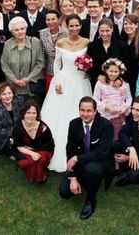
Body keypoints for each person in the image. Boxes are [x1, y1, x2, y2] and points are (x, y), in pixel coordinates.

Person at [42, 14, 93, 172]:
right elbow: (56, 64)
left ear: (80, 26)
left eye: (77, 25)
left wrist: (87, 71)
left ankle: (82, 151)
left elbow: (91, 61)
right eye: (71, 26)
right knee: (60, 115)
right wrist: (57, 81)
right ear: (67, 27)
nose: (74, 28)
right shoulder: (61, 42)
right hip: (63, 81)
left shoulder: (87, 42)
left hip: (80, 82)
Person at [58, 97, 113, 220]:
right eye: (82, 110)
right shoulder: (74, 124)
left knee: (92, 170)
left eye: (89, 111)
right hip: (80, 163)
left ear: (95, 111)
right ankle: (83, 180)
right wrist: (73, 177)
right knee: (64, 193)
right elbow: (70, 149)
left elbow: (101, 153)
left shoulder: (106, 125)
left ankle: (90, 199)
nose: (85, 114)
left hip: (98, 162)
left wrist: (77, 158)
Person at [1, 16, 45, 101]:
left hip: (32, 89)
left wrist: (29, 78)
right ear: (12, 32)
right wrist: (14, 80)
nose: (20, 32)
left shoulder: (35, 42)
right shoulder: (7, 44)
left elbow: (40, 63)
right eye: (16, 30)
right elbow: (4, 64)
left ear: (26, 29)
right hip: (13, 89)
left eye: (22, 29)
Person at [14, 99, 55, 183]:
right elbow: (19, 146)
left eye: (34, 113)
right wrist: (31, 153)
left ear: (37, 114)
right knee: (25, 162)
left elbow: (48, 146)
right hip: (25, 150)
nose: (31, 116)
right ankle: (36, 174)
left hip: (44, 149)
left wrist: (34, 151)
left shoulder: (43, 128)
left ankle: (40, 177)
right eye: (28, 113)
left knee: (38, 159)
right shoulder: (17, 126)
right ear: (23, 113)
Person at [93, 58, 132, 140]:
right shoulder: (100, 83)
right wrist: (106, 107)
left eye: (116, 71)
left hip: (119, 116)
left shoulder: (124, 84)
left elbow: (129, 98)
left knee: (118, 138)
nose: (113, 74)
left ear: (120, 72)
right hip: (106, 117)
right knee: (106, 137)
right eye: (111, 71)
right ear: (106, 70)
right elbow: (95, 99)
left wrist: (125, 107)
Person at [87, 18, 130, 89]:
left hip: (117, 86)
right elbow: (90, 67)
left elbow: (128, 65)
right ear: (98, 30)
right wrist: (97, 76)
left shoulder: (122, 46)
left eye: (107, 31)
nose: (104, 34)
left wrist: (121, 79)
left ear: (112, 29)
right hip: (99, 85)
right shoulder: (92, 46)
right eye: (102, 31)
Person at [0, 82, 23, 158]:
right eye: (4, 94)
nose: (7, 96)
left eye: (9, 93)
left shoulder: (19, 101)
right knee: (13, 146)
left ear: (13, 94)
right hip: (5, 138)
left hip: (21, 132)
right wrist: (14, 131)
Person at [39, 9, 68, 91]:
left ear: (59, 20)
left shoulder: (66, 33)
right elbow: (42, 52)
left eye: (53, 19)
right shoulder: (42, 33)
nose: (51, 22)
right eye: (48, 20)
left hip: (64, 70)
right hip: (49, 70)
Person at [121, 14, 139, 95]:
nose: (128, 26)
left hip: (136, 82)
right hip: (122, 82)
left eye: (131, 24)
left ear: (136, 25)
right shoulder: (121, 41)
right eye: (125, 24)